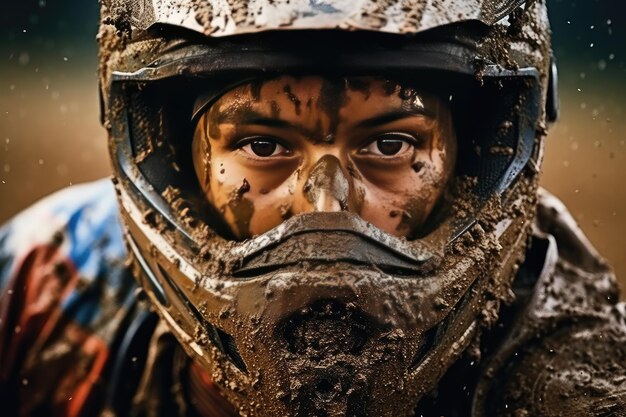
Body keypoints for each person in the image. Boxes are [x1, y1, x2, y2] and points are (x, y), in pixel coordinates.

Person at [1, 1, 625, 416]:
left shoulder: (582, 379)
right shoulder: (43, 288)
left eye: (389, 144)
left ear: (474, 160)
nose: (325, 206)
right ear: (173, 165)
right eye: (263, 145)